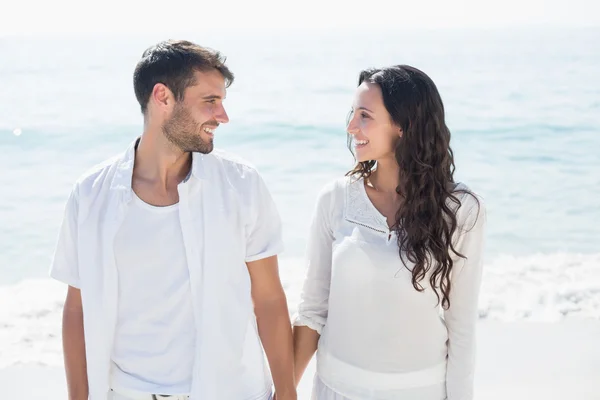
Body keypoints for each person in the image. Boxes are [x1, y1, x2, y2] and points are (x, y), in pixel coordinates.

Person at [50, 39, 296, 400]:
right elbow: (77, 309)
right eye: (210, 102)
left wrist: (287, 392)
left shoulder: (242, 185)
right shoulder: (90, 195)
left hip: (231, 391)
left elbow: (270, 298)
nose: (223, 116)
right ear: (162, 97)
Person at [292, 65, 486, 400]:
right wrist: (282, 390)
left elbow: (462, 326)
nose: (351, 127)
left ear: (403, 126)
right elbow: (312, 311)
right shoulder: (336, 198)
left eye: (365, 116)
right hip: (337, 389)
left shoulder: (460, 209)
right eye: (352, 114)